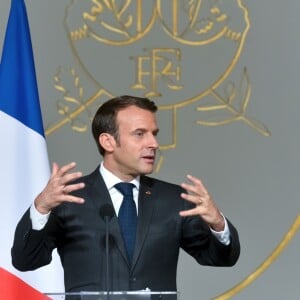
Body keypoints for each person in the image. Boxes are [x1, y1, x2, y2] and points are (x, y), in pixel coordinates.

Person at [12, 95, 240, 295]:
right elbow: (25, 260)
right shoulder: (69, 199)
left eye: (154, 134)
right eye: (140, 134)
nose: (154, 144)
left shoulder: (174, 199)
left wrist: (218, 224)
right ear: (108, 141)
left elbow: (220, 258)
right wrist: (41, 208)